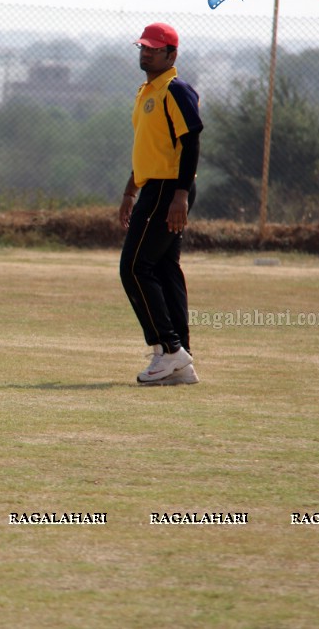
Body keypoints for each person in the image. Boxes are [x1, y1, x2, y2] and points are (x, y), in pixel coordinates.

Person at [118, 23, 202, 386]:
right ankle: (178, 359)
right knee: (165, 270)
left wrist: (181, 195)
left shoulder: (175, 90)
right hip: (153, 187)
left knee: (135, 267)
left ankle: (169, 350)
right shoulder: (146, 91)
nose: (146, 52)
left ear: (172, 54)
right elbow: (149, 148)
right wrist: (129, 190)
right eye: (143, 47)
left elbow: (192, 140)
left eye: (154, 48)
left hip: (169, 190)